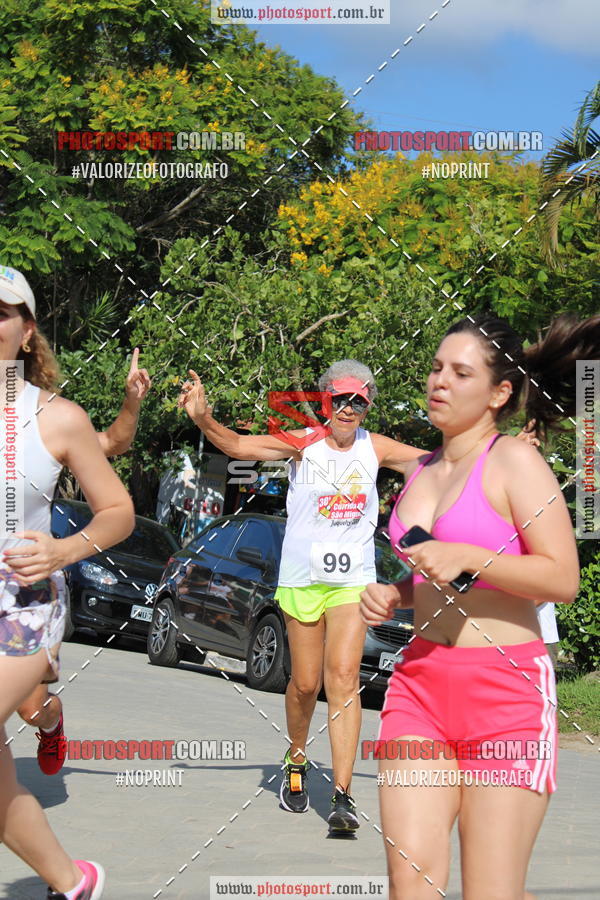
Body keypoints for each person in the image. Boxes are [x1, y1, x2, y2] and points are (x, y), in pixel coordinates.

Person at [360, 312, 599, 899]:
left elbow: (561, 578)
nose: (440, 381)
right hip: (420, 686)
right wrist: (399, 593)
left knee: (490, 891)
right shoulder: (420, 471)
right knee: (409, 884)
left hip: (506, 695)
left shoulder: (515, 463)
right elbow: (447, 578)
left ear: (499, 393)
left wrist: (470, 555)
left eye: (460, 372)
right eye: (437, 367)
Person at [178, 360, 426, 833]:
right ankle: (296, 757)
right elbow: (235, 445)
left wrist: (496, 449)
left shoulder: (377, 447)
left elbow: (440, 462)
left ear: (368, 405)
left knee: (344, 679)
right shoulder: (303, 442)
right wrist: (204, 418)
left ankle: (343, 796)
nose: (350, 409)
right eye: (341, 400)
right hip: (301, 579)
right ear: (325, 401)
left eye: (359, 401)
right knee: (306, 683)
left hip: (353, 579)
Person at [0, 265, 135, 899]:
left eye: (2, 313)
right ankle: (72, 881)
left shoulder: (57, 419)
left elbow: (118, 513)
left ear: (26, 332)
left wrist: (59, 551)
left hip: (23, 606)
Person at [15, 347, 151, 776]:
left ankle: (51, 725)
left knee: (29, 708)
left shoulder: (49, 421)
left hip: (26, 583)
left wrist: (131, 401)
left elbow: (113, 443)